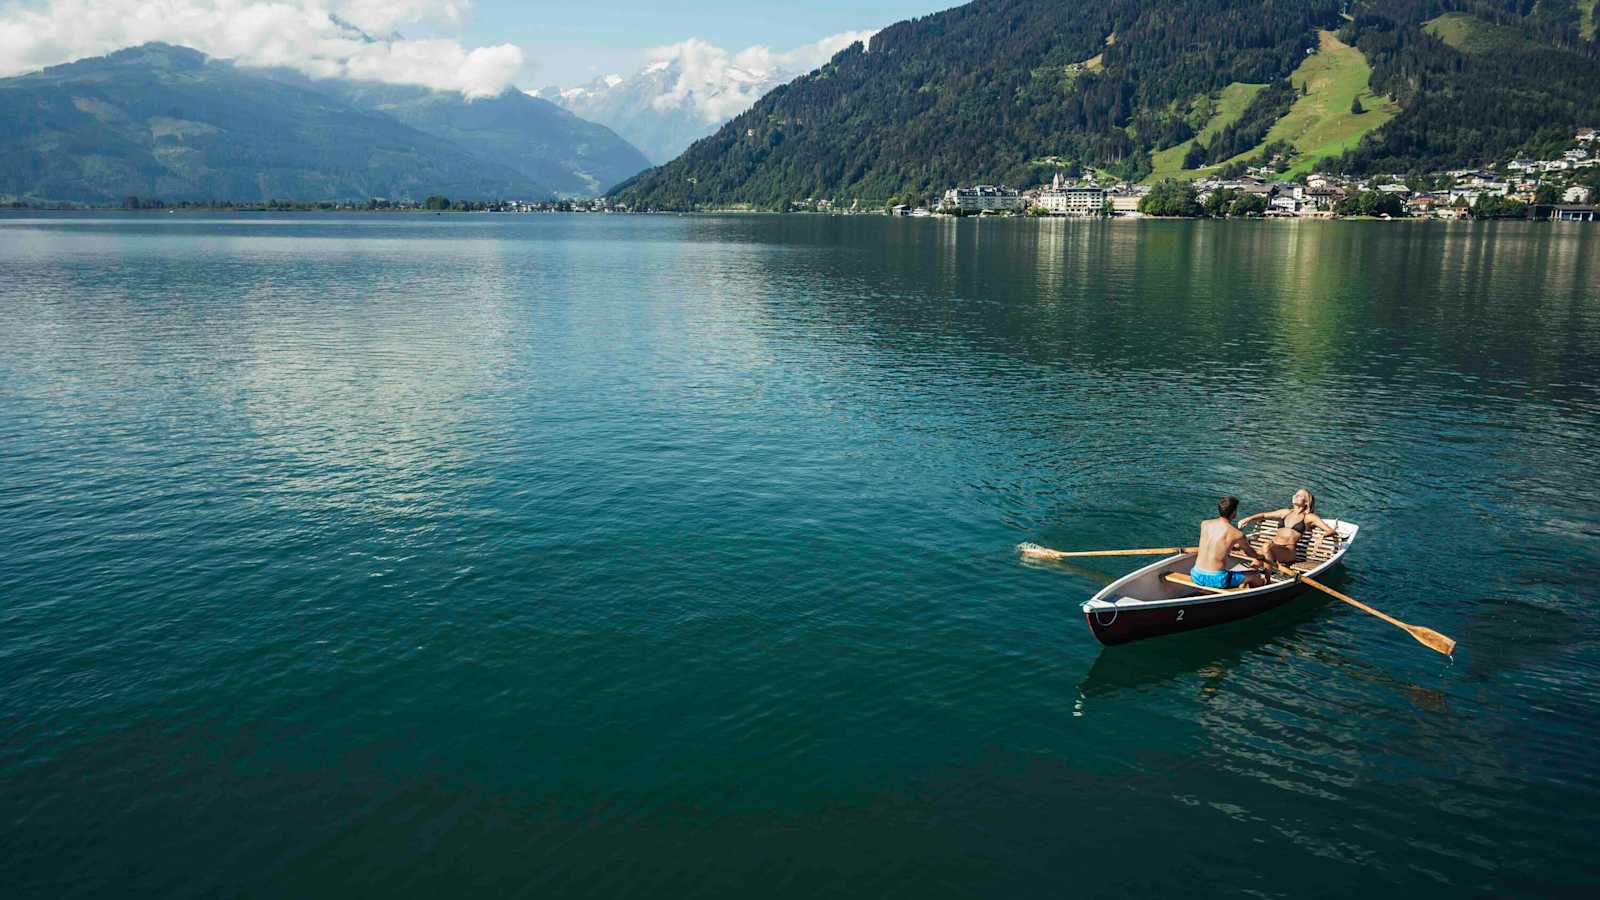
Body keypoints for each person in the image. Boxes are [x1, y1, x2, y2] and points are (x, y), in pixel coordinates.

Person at [1240, 489, 1338, 568]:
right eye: (1295, 494)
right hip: (1272, 547)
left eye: (1300, 495)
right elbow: (1265, 515)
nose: (1296, 496)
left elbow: (1331, 531)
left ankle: (1268, 578)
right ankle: (1252, 581)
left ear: (1307, 502)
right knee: (1254, 561)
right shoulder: (1285, 512)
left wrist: (1322, 536)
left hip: (1288, 551)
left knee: (1266, 547)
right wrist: (1248, 519)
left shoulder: (1309, 517)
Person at [1191, 496, 1271, 589]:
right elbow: (1251, 553)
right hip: (1218, 579)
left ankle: (1242, 585)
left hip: (1196, 575)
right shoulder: (1237, 534)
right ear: (1234, 513)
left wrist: (1231, 547)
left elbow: (1216, 543)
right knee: (1255, 574)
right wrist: (1261, 557)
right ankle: (1260, 589)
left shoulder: (1204, 524)